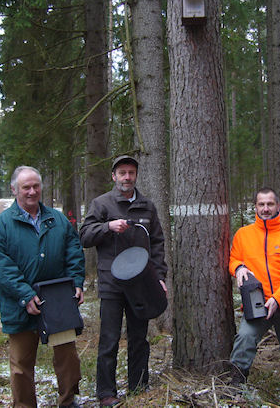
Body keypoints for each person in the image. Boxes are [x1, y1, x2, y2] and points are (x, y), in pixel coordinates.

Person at [0, 166, 85, 408]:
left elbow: (73, 251)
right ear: (14, 190)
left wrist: (77, 283)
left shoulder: (57, 219)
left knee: (68, 358)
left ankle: (68, 401)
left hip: (57, 302)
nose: (32, 192)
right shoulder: (2, 225)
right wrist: (24, 294)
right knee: (21, 364)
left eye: (36, 186)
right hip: (19, 305)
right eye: (26, 187)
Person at [79, 155, 167, 407]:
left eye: (131, 172)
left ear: (136, 175)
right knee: (109, 339)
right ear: (114, 176)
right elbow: (84, 236)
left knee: (139, 338)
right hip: (111, 284)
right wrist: (108, 226)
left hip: (142, 284)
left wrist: (160, 277)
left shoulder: (147, 206)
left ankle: (139, 386)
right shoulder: (101, 204)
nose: (127, 177)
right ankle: (106, 393)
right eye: (122, 173)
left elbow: (158, 243)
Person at [228, 187, 280, 406]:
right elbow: (233, 259)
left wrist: (278, 298)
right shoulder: (243, 235)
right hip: (256, 304)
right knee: (244, 338)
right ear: (255, 207)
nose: (265, 208)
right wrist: (239, 267)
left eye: (270, 204)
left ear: (278, 206)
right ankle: (236, 388)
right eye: (261, 204)